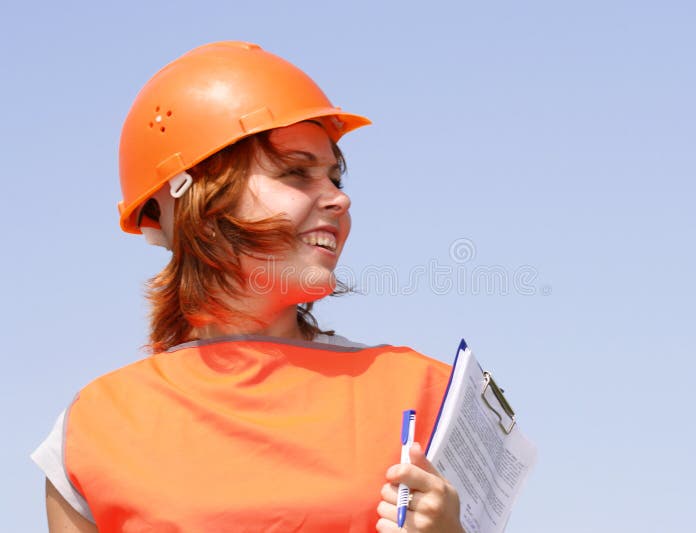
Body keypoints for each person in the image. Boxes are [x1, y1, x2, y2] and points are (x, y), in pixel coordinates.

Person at [31, 41, 466, 532]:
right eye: (296, 172)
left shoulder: (428, 393)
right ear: (200, 203)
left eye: (336, 177)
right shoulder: (95, 427)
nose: (339, 199)